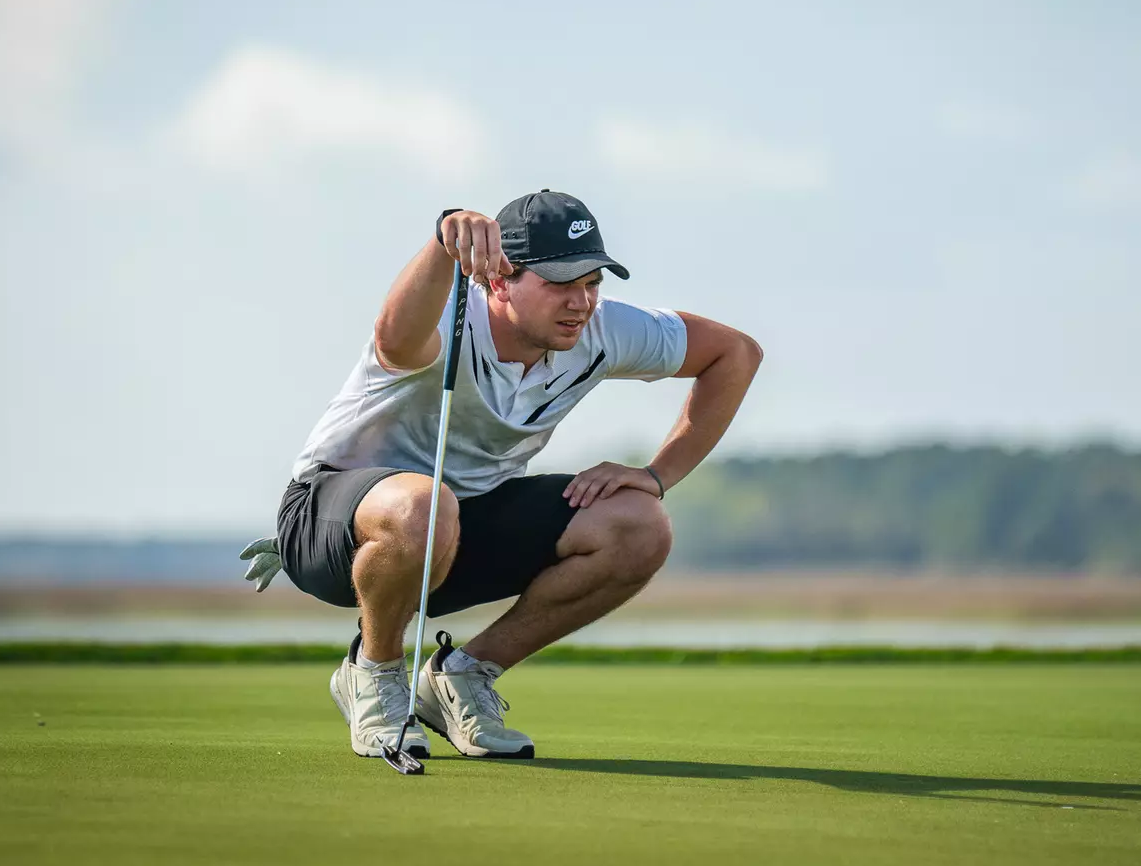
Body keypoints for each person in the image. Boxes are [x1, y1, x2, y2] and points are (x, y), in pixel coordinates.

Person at [239, 190, 761, 762]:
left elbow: (736, 354)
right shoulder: (447, 314)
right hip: (332, 517)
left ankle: (460, 676)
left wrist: (658, 474)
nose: (581, 302)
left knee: (640, 525)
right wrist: (443, 245)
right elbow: (395, 337)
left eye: (592, 282)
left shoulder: (602, 329)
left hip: (461, 524)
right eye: (560, 283)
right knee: (423, 506)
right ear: (497, 280)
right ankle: (373, 671)